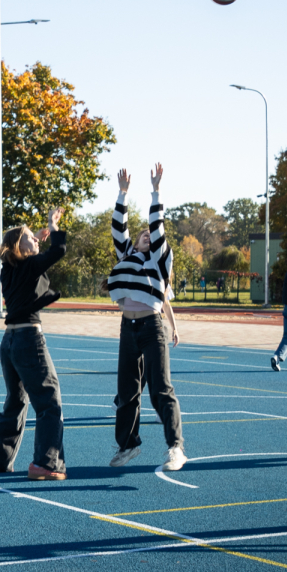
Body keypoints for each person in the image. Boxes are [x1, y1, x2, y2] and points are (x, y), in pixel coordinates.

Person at [106, 164, 187, 472]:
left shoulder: (160, 259)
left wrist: (155, 190)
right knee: (126, 392)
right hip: (129, 327)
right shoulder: (126, 257)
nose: (145, 236)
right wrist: (123, 193)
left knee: (160, 388)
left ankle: (175, 448)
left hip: (152, 327)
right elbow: (118, 229)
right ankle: (127, 445)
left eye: (148, 235)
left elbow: (157, 225)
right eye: (141, 235)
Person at [0, 207, 68, 481]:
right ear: (19, 244)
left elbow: (32, 255)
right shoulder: (29, 266)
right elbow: (59, 250)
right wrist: (53, 228)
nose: (37, 239)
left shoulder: (8, 270)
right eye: (31, 237)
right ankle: (46, 463)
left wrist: (37, 237)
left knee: (16, 400)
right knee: (49, 402)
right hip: (29, 339)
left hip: (9, 342)